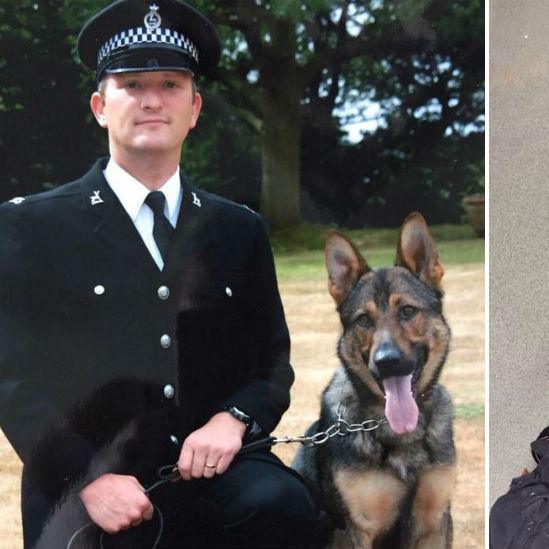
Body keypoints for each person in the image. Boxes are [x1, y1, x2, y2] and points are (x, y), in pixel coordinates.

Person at [0, 1, 316, 547]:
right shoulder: (32, 224)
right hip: (90, 481)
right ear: (100, 106)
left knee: (286, 507)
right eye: (132, 83)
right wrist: (89, 479)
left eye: (170, 84)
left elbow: (270, 364)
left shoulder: (238, 229)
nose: (152, 99)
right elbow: (14, 381)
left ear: (194, 108)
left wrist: (233, 421)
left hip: (215, 473)